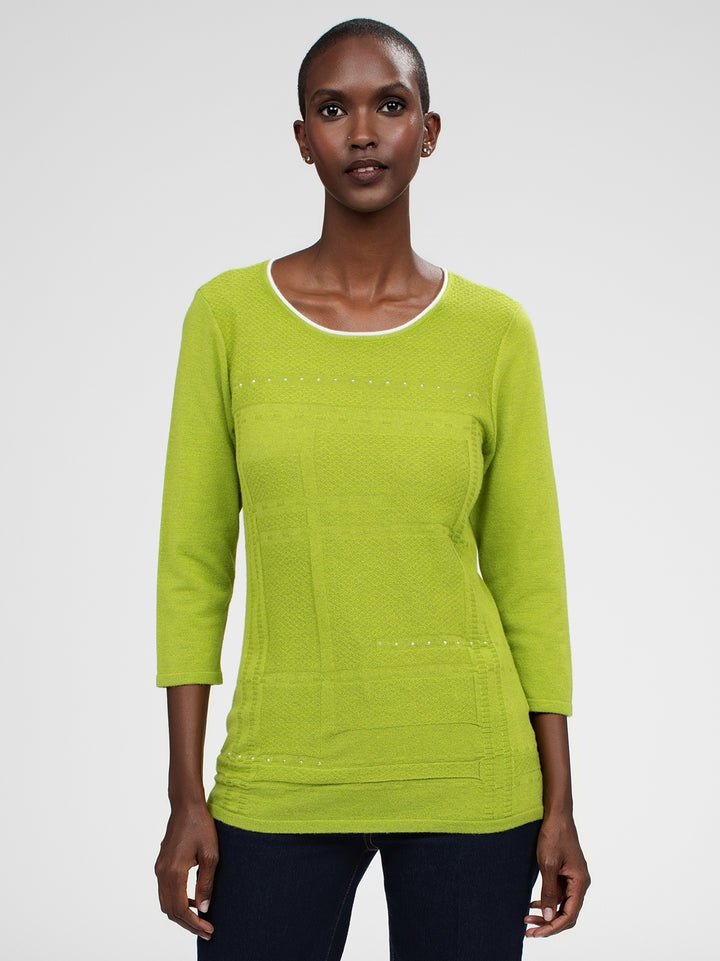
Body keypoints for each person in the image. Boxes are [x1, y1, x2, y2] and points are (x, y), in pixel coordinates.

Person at [153, 17, 591, 961]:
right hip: (281, 773)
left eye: (389, 105)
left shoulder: (494, 331)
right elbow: (192, 567)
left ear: (427, 131)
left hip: (472, 778)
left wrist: (561, 800)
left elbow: (530, 577)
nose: (361, 131)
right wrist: (186, 793)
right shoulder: (227, 317)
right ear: (301, 137)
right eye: (332, 109)